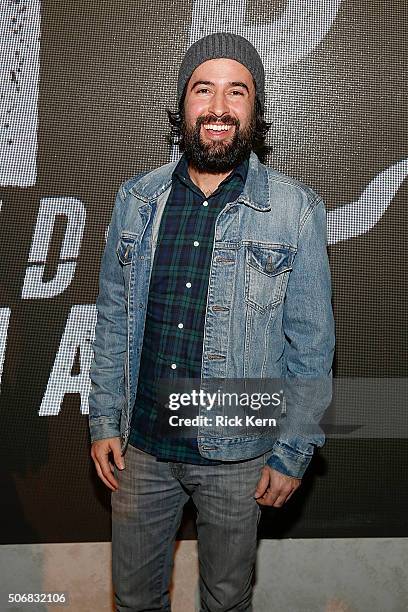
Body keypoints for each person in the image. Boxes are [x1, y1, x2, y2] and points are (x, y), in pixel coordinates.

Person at [89, 32, 335, 612]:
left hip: (239, 453)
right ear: (182, 105)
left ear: (256, 109)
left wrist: (293, 449)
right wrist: (104, 419)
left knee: (226, 600)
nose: (219, 107)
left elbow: (312, 347)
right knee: (132, 600)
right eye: (204, 90)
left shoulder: (295, 212)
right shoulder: (137, 199)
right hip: (141, 448)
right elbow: (113, 321)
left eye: (237, 92)